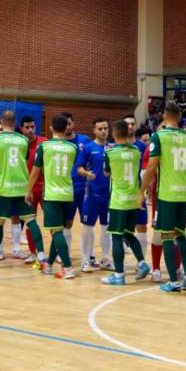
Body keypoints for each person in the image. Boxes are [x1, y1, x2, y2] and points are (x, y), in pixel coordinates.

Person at [138, 103, 186, 292]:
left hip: (167, 194)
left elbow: (151, 166)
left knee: (166, 236)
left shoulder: (158, 136)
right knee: (181, 234)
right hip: (184, 193)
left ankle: (173, 281)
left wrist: (141, 191)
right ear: (180, 116)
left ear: (164, 115)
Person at [0, 111, 47, 269]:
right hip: (22, 187)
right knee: (31, 221)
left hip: (4, 189)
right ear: (15, 123)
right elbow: (24, 161)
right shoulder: (24, 140)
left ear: (2, 121)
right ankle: (42, 257)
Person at [99, 120, 152, 285]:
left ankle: (119, 275)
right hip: (133, 200)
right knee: (129, 233)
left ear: (114, 133)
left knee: (116, 236)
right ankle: (142, 263)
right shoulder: (136, 151)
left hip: (118, 201)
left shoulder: (110, 152)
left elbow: (106, 173)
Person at [26, 114, 78, 279]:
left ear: (51, 127)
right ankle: (49, 265)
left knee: (56, 232)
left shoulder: (44, 146)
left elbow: (35, 171)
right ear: (66, 127)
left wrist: (28, 190)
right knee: (59, 230)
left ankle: (68, 268)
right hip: (68, 193)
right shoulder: (73, 148)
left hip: (52, 194)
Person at [76, 118, 112, 273]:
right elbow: (79, 168)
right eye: (100, 129)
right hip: (92, 195)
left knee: (107, 229)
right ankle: (85, 260)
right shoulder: (88, 148)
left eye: (105, 128)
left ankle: (106, 260)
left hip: (109, 196)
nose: (103, 131)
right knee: (87, 228)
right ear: (94, 130)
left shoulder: (112, 148)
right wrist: (86, 173)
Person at [62, 112, 91, 255]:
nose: (67, 127)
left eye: (69, 123)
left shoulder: (84, 140)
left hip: (85, 188)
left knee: (88, 222)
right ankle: (65, 253)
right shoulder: (59, 143)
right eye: (64, 124)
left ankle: (88, 255)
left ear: (73, 124)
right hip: (68, 188)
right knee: (67, 222)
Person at [20, 115, 47, 263]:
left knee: (52, 221)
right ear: (21, 128)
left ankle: (56, 253)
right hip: (27, 190)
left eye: (32, 127)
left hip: (44, 188)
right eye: (27, 127)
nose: (30, 130)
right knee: (30, 222)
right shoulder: (19, 144)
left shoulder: (44, 142)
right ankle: (32, 252)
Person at [124, 114, 149, 259]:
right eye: (127, 124)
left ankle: (142, 261)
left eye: (132, 124)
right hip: (121, 195)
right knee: (119, 230)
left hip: (138, 193)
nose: (130, 126)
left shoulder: (143, 147)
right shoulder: (116, 146)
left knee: (142, 227)